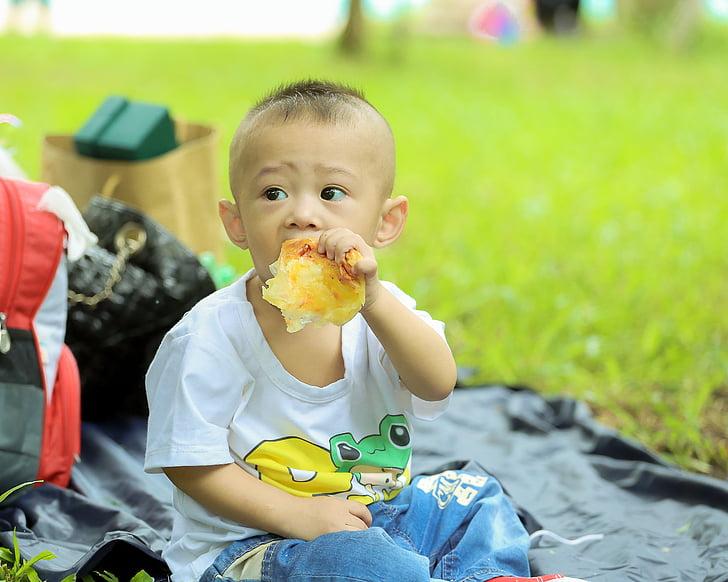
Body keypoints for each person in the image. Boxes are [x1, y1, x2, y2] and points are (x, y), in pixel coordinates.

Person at [144, 79, 589, 582]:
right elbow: (190, 464)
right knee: (361, 563)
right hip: (256, 545)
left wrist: (373, 302)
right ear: (236, 221)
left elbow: (436, 381)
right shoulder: (208, 336)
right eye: (273, 193)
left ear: (386, 222)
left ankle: (486, 576)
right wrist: (299, 517)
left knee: (473, 498)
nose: (303, 215)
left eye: (332, 193)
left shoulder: (384, 312)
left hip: (382, 512)